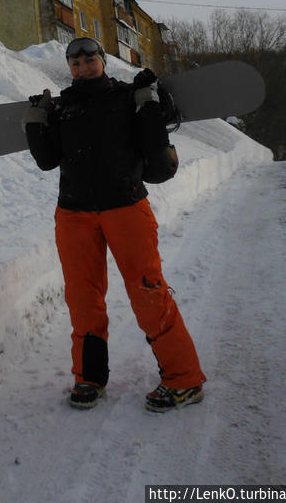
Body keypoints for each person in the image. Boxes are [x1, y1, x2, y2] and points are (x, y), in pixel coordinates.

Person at [23, 36, 206, 412]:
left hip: (125, 206)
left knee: (147, 290)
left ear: (102, 61)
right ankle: (89, 377)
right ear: (69, 67)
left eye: (90, 60)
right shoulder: (65, 107)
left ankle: (184, 379)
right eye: (75, 63)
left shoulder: (126, 97)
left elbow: (154, 145)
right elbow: (46, 160)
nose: (82, 67)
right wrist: (37, 119)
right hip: (73, 212)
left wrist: (148, 102)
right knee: (82, 297)